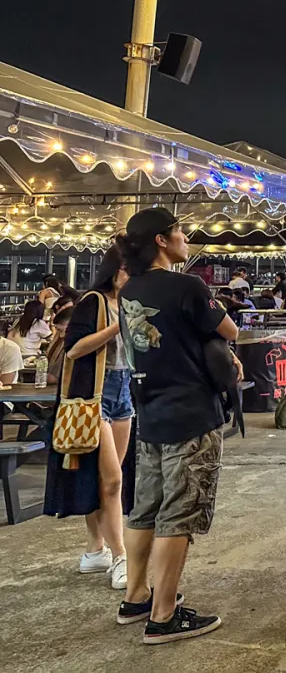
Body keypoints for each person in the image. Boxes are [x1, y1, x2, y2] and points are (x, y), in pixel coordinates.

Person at [115, 207, 242, 644]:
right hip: (191, 413)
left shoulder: (128, 289)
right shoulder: (188, 285)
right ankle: (164, 615)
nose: (186, 238)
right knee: (181, 512)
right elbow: (231, 330)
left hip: (148, 414)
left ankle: (136, 596)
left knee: (145, 507)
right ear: (162, 242)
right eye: (180, 232)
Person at [45, 246, 135, 591]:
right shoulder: (94, 302)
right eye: (129, 271)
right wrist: (117, 328)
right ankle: (121, 555)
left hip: (123, 391)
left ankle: (95, 549)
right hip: (93, 395)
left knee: (105, 479)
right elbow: (74, 348)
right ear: (115, 271)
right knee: (112, 480)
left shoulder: (129, 304)